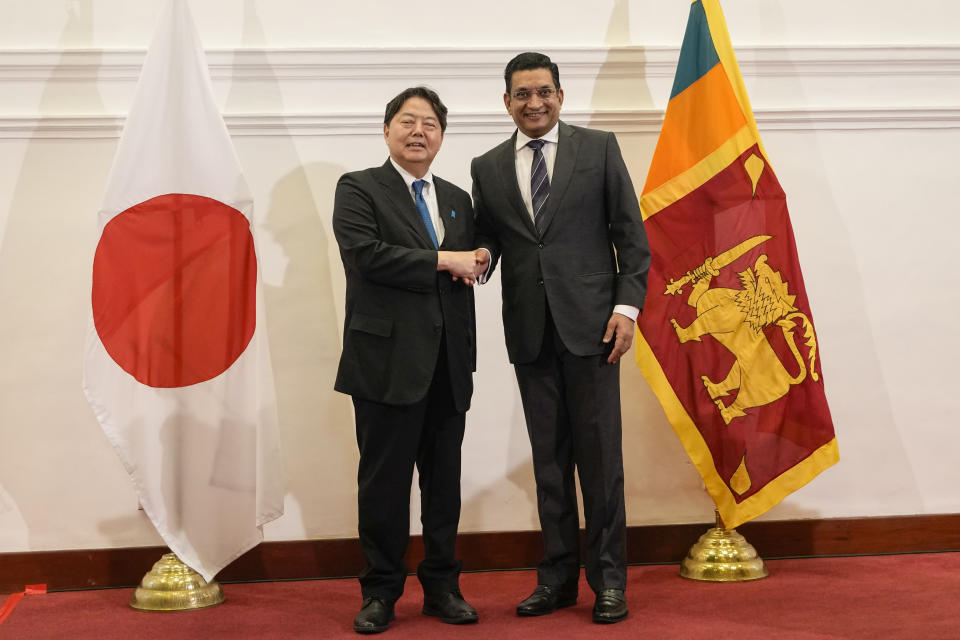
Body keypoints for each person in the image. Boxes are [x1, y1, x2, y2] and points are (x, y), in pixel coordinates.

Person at [470, 52, 650, 624]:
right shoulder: (487, 165)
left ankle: (609, 583)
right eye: (522, 94)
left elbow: (631, 235)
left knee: (600, 464)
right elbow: (490, 238)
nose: (534, 102)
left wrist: (627, 308)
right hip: (530, 332)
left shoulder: (598, 149)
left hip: (595, 329)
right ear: (507, 102)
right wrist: (475, 256)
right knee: (549, 464)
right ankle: (557, 580)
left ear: (560, 95)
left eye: (543, 91)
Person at [332, 86, 481, 634]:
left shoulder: (457, 197)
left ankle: (443, 586)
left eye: (430, 124)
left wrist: (480, 257)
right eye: (407, 121)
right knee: (385, 486)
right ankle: (380, 593)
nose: (419, 131)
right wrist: (447, 258)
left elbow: (473, 261)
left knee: (444, 486)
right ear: (387, 129)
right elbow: (367, 257)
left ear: (442, 136)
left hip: (448, 363)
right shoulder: (359, 189)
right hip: (385, 363)